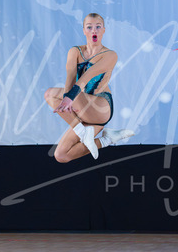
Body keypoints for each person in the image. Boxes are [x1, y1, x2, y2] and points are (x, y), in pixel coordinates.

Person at [44, 13, 134, 163]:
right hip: (83, 108)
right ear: (84, 30)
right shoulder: (75, 51)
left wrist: (69, 98)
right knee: (61, 155)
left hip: (100, 107)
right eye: (89, 27)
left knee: (50, 94)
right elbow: (70, 79)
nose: (94, 30)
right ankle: (106, 139)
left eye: (98, 27)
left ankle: (82, 131)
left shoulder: (110, 55)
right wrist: (67, 98)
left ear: (104, 30)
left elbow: (86, 78)